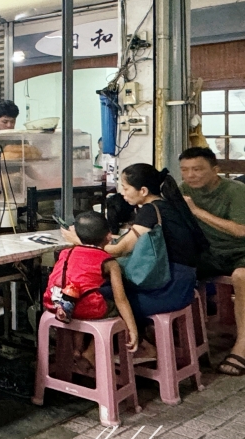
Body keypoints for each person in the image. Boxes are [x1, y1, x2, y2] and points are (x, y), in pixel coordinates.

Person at [62, 164, 207, 361]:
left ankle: (91, 355)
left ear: (143, 191)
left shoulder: (150, 210)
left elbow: (120, 249)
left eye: (126, 187)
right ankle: (112, 349)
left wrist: (79, 240)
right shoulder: (169, 206)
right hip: (184, 285)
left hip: (167, 290)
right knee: (108, 289)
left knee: (97, 297)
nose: (122, 193)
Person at [179, 147, 245, 376]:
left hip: (240, 252)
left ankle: (242, 346)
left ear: (215, 170)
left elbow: (240, 230)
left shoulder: (235, 191)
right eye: (185, 170)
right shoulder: (183, 190)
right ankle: (183, 339)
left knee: (242, 276)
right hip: (210, 253)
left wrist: (196, 211)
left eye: (197, 169)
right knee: (176, 270)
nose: (190, 176)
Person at [47, 211, 138, 370]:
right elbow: (120, 299)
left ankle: (77, 348)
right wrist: (133, 328)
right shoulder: (109, 262)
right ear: (109, 237)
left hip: (55, 304)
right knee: (108, 307)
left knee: (80, 297)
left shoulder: (65, 252)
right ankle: (90, 352)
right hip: (84, 308)